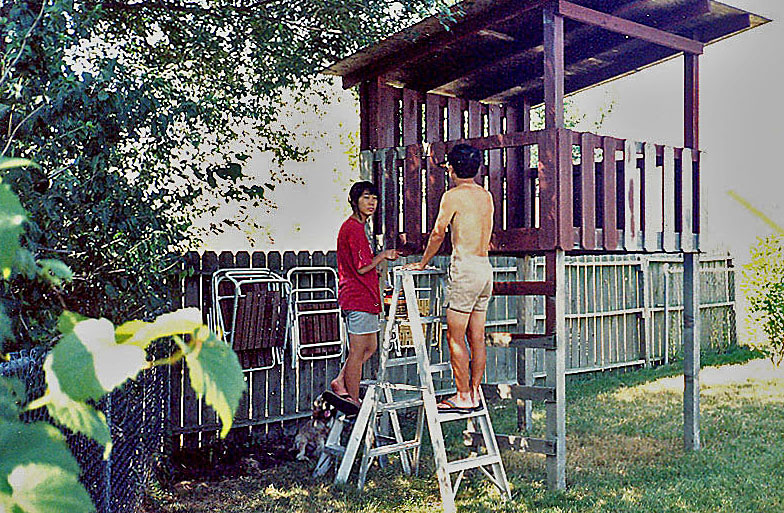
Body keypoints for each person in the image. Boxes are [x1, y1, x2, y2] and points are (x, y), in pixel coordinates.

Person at [404, 144, 493, 413]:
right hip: (484, 269)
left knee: (455, 336)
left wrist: (422, 262)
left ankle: (463, 396)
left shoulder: (452, 196)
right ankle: (474, 393)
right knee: (477, 336)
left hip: (465, 270)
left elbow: (437, 233)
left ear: (451, 169)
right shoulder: (486, 195)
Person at [323, 181, 399, 416]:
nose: (371, 203)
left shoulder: (360, 228)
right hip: (356, 296)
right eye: (366, 197)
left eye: (374, 198)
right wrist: (383, 256)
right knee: (357, 351)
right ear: (354, 200)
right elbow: (362, 266)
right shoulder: (353, 228)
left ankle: (339, 381)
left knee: (371, 347)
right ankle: (353, 399)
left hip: (367, 297)